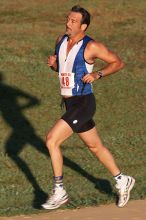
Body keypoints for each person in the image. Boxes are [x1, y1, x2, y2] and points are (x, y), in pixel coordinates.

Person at [42, 5, 135, 210]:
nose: (68, 23)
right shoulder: (60, 41)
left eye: (73, 21)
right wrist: (53, 66)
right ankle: (122, 179)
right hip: (70, 103)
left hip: (84, 103)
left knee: (51, 140)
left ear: (83, 26)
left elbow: (117, 63)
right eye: (68, 19)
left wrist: (97, 74)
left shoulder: (91, 46)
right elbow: (63, 69)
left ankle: (59, 190)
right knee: (94, 146)